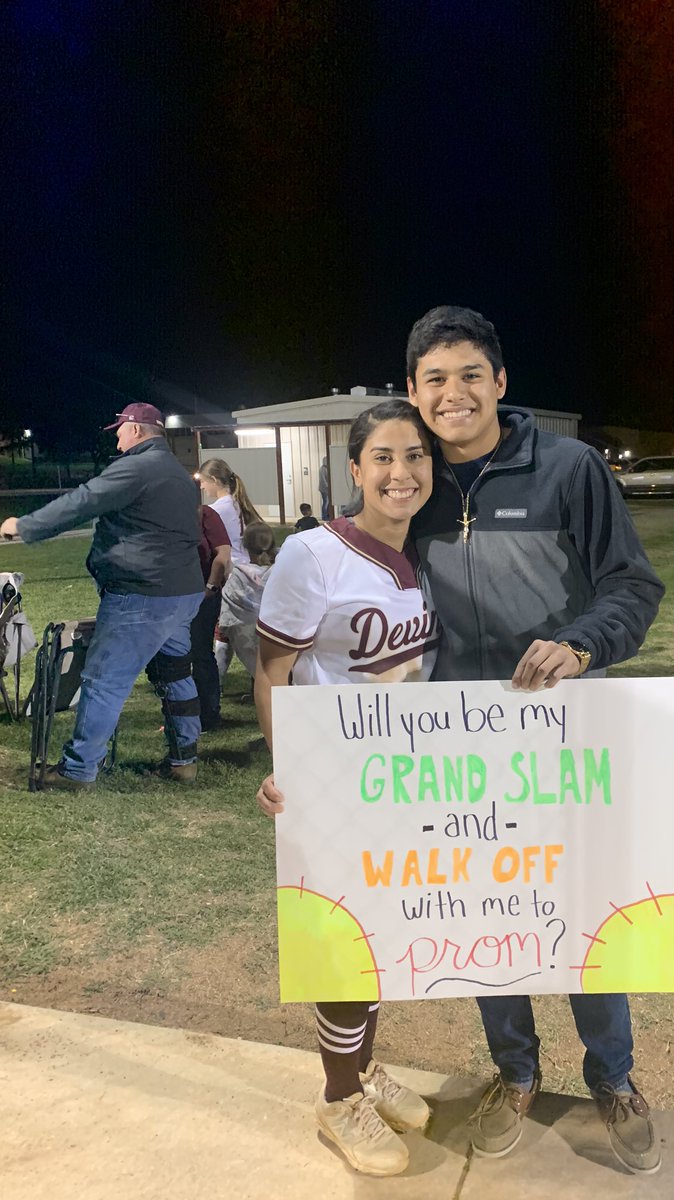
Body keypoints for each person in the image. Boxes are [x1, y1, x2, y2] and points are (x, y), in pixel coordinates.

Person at [405, 306, 665, 1173]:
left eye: (470, 374)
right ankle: (514, 1072)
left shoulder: (569, 468)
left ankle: (615, 1075)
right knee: (485, 916)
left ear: (501, 383)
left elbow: (632, 583)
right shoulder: (404, 478)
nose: (454, 393)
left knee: (584, 910)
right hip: (453, 744)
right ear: (413, 391)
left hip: (563, 737)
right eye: (435, 379)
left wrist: (582, 643)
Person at [255, 400, 440, 1178]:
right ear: (355, 469)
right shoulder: (313, 553)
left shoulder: (426, 550)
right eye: (385, 458)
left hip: (402, 775)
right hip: (337, 775)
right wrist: (289, 766)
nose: (402, 473)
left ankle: (363, 1071)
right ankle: (338, 1097)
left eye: (416, 457)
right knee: (344, 942)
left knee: (381, 935)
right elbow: (272, 671)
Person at [0, 402, 205, 787]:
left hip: (141, 594)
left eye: (120, 430)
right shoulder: (178, 473)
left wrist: (23, 525)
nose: (117, 438)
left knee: (103, 680)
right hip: (183, 592)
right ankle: (184, 761)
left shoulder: (137, 467)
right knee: (176, 673)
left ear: (138, 430)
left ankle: (78, 769)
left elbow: (83, 501)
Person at [196, 458, 263, 679]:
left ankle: (217, 681)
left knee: (225, 630)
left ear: (214, 480)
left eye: (204, 482)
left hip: (232, 576)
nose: (202, 487)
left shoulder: (216, 510)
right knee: (239, 631)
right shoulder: (238, 504)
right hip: (249, 574)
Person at [216, 521, 277, 678]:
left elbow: (228, 609)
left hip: (244, 634)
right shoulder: (281, 572)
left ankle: (219, 682)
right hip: (275, 633)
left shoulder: (238, 575)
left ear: (245, 545)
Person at [191, 504, 232, 731]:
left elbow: (222, 555)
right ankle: (179, 716)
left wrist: (210, 587)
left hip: (202, 597)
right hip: (169, 596)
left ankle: (208, 714)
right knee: (172, 659)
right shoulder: (160, 512)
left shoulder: (205, 514)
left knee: (200, 653)